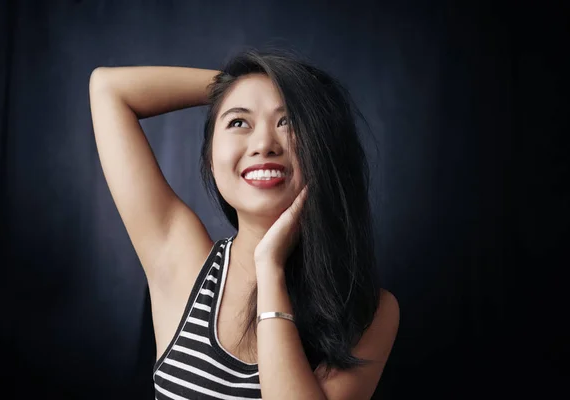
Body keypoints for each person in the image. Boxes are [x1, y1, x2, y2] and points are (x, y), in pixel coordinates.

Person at [89, 48, 399, 400]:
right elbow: (108, 89)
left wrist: (270, 267)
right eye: (239, 122)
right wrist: (235, 86)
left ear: (323, 147)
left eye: (289, 121)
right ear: (210, 156)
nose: (264, 144)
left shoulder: (368, 311)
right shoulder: (182, 261)